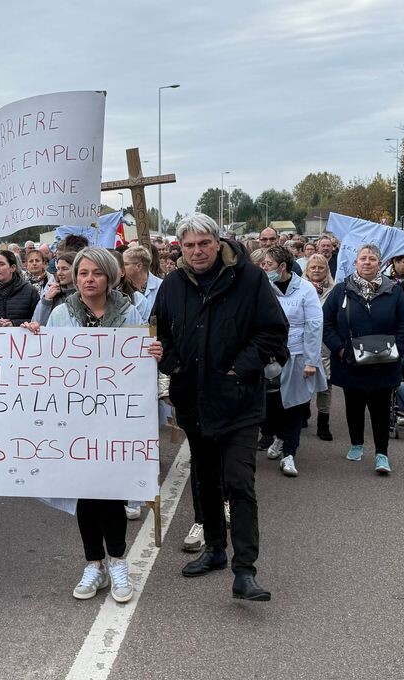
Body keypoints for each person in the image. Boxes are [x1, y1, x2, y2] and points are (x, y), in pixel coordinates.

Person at [154, 213, 288, 602]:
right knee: (205, 478)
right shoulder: (174, 285)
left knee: (239, 482)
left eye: (204, 243)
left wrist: (238, 368)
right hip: (193, 398)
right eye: (189, 245)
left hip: (239, 400)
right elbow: (159, 331)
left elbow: (273, 332)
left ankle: (244, 570)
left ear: (218, 242)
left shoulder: (249, 279)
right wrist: (173, 362)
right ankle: (214, 549)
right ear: (181, 248)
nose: (197, 251)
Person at [20, 248, 163, 603]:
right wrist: (33, 338)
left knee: (110, 491)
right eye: (83, 273)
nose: (88, 279)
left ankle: (117, 561)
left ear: (111, 277)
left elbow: (140, 363)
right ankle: (93, 563)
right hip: (74, 421)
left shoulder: (129, 311)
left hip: (114, 421)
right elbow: (46, 365)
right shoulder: (60, 314)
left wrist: (152, 354)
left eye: (96, 273)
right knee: (84, 490)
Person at [322, 244, 404, 475]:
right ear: (355, 263)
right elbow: (327, 324)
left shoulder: (394, 290)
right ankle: (356, 444)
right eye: (362, 258)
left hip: (384, 361)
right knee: (354, 404)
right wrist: (341, 350)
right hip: (351, 360)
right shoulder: (341, 290)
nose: (367, 262)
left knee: (381, 408)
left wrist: (398, 349)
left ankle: (382, 453)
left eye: (372, 259)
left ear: (380, 264)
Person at [257, 246, 326, 478]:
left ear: (282, 267)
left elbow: (314, 326)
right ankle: (278, 436)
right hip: (271, 356)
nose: (264, 268)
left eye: (268, 264)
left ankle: (289, 454)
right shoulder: (264, 288)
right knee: (272, 403)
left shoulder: (306, 290)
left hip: (297, 356)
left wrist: (311, 360)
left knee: (295, 405)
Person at [305, 254, 336, 441]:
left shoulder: (334, 290)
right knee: (302, 381)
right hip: (304, 342)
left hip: (326, 344)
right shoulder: (299, 288)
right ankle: (301, 413)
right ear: (307, 270)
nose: (316, 270)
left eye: (320, 267)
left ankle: (323, 422)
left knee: (326, 384)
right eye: (313, 267)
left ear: (327, 270)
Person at [33, 252, 75, 325]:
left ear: (76, 271)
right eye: (58, 269)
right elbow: (37, 323)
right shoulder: (52, 293)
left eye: (64, 269)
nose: (59, 273)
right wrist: (47, 300)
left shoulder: (85, 295)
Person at [123, 243, 162, 311]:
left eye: (126, 264)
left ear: (139, 266)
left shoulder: (161, 286)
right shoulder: (120, 288)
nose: (121, 268)